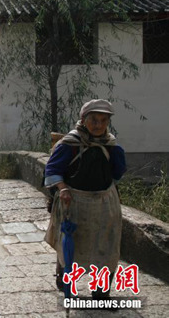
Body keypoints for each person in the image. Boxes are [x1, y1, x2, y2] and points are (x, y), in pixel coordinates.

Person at [44, 99, 126, 300]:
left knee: (106, 247)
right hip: (74, 201)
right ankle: (66, 283)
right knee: (72, 245)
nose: (98, 125)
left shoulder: (111, 146)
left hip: (104, 203)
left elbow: (118, 172)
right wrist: (62, 188)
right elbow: (52, 170)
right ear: (83, 119)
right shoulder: (69, 144)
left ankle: (100, 292)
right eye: (94, 120)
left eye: (103, 121)